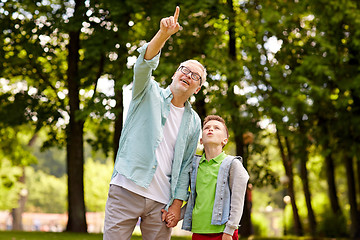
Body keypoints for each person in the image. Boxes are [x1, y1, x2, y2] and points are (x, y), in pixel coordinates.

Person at [103, 6, 207, 240]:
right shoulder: (147, 92)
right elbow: (144, 64)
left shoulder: (194, 122)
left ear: (197, 88)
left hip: (161, 201)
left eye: (195, 76)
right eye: (184, 70)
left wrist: (177, 203)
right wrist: (164, 34)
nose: (188, 75)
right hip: (126, 190)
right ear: (173, 74)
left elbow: (185, 168)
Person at [166, 115, 249, 240]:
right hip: (199, 231)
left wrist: (230, 231)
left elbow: (237, 202)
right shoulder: (194, 166)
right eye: (206, 128)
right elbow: (195, 201)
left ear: (225, 140)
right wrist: (175, 215)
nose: (211, 130)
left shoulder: (233, 165)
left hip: (223, 232)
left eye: (217, 128)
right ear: (200, 140)